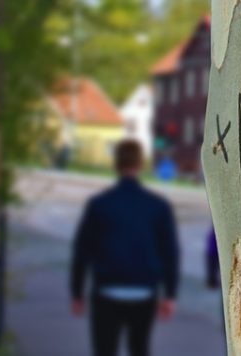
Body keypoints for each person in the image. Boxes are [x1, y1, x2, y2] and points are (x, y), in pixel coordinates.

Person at [70, 139, 180, 356]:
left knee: (104, 350)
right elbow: (170, 253)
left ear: (117, 164)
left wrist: (77, 292)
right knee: (139, 349)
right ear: (140, 164)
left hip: (106, 291)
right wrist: (170, 294)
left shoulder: (99, 204)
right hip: (144, 292)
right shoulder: (158, 206)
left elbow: (82, 251)